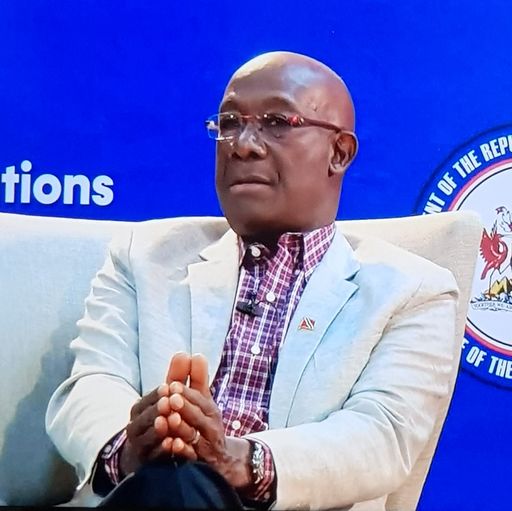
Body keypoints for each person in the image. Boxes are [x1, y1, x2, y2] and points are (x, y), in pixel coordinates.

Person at [46, 51, 459, 510]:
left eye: (277, 122)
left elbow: (381, 436)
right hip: (142, 496)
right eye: (229, 123)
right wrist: (131, 446)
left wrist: (237, 460)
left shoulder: (412, 291)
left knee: (186, 484)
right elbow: (92, 382)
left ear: (339, 153)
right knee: (173, 483)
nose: (242, 145)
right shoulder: (146, 255)